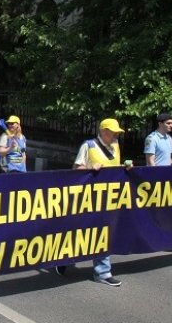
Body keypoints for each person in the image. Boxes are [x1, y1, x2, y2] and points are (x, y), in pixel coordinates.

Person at [56, 118, 125, 287]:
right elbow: (76, 169)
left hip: (109, 198)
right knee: (80, 232)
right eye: (112, 132)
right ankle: (64, 258)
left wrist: (125, 168)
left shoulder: (116, 146)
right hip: (88, 199)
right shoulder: (89, 146)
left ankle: (102, 272)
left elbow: (115, 168)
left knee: (103, 234)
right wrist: (90, 168)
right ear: (103, 131)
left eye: (117, 132)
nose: (116, 135)